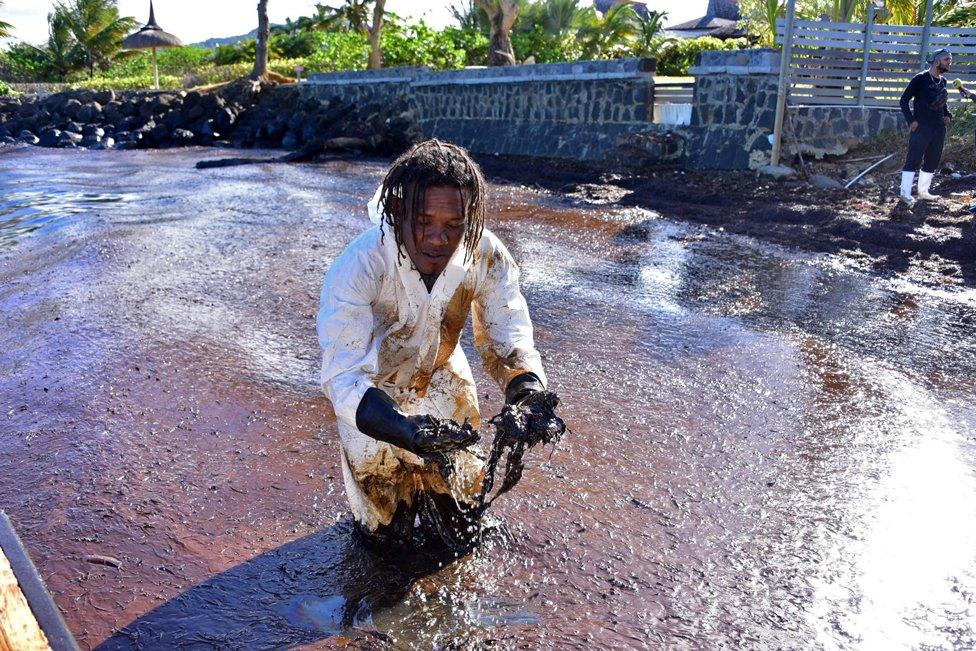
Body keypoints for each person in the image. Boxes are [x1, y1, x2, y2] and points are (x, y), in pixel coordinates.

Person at [317, 139, 552, 551]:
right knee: (384, 533)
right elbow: (344, 377)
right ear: (396, 211)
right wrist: (404, 430)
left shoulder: (485, 253)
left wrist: (528, 391)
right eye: (424, 221)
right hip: (374, 399)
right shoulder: (359, 266)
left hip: (443, 378)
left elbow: (508, 334)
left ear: (470, 219)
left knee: (463, 521)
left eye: (453, 225)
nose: (438, 239)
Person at [899, 49, 953, 207]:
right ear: (937, 61)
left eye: (949, 60)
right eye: (946, 60)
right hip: (922, 127)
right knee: (913, 160)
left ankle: (923, 192)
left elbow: (942, 102)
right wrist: (911, 120)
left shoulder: (943, 81)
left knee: (932, 160)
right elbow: (904, 100)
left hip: (938, 128)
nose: (949, 63)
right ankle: (905, 194)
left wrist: (947, 114)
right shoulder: (920, 79)